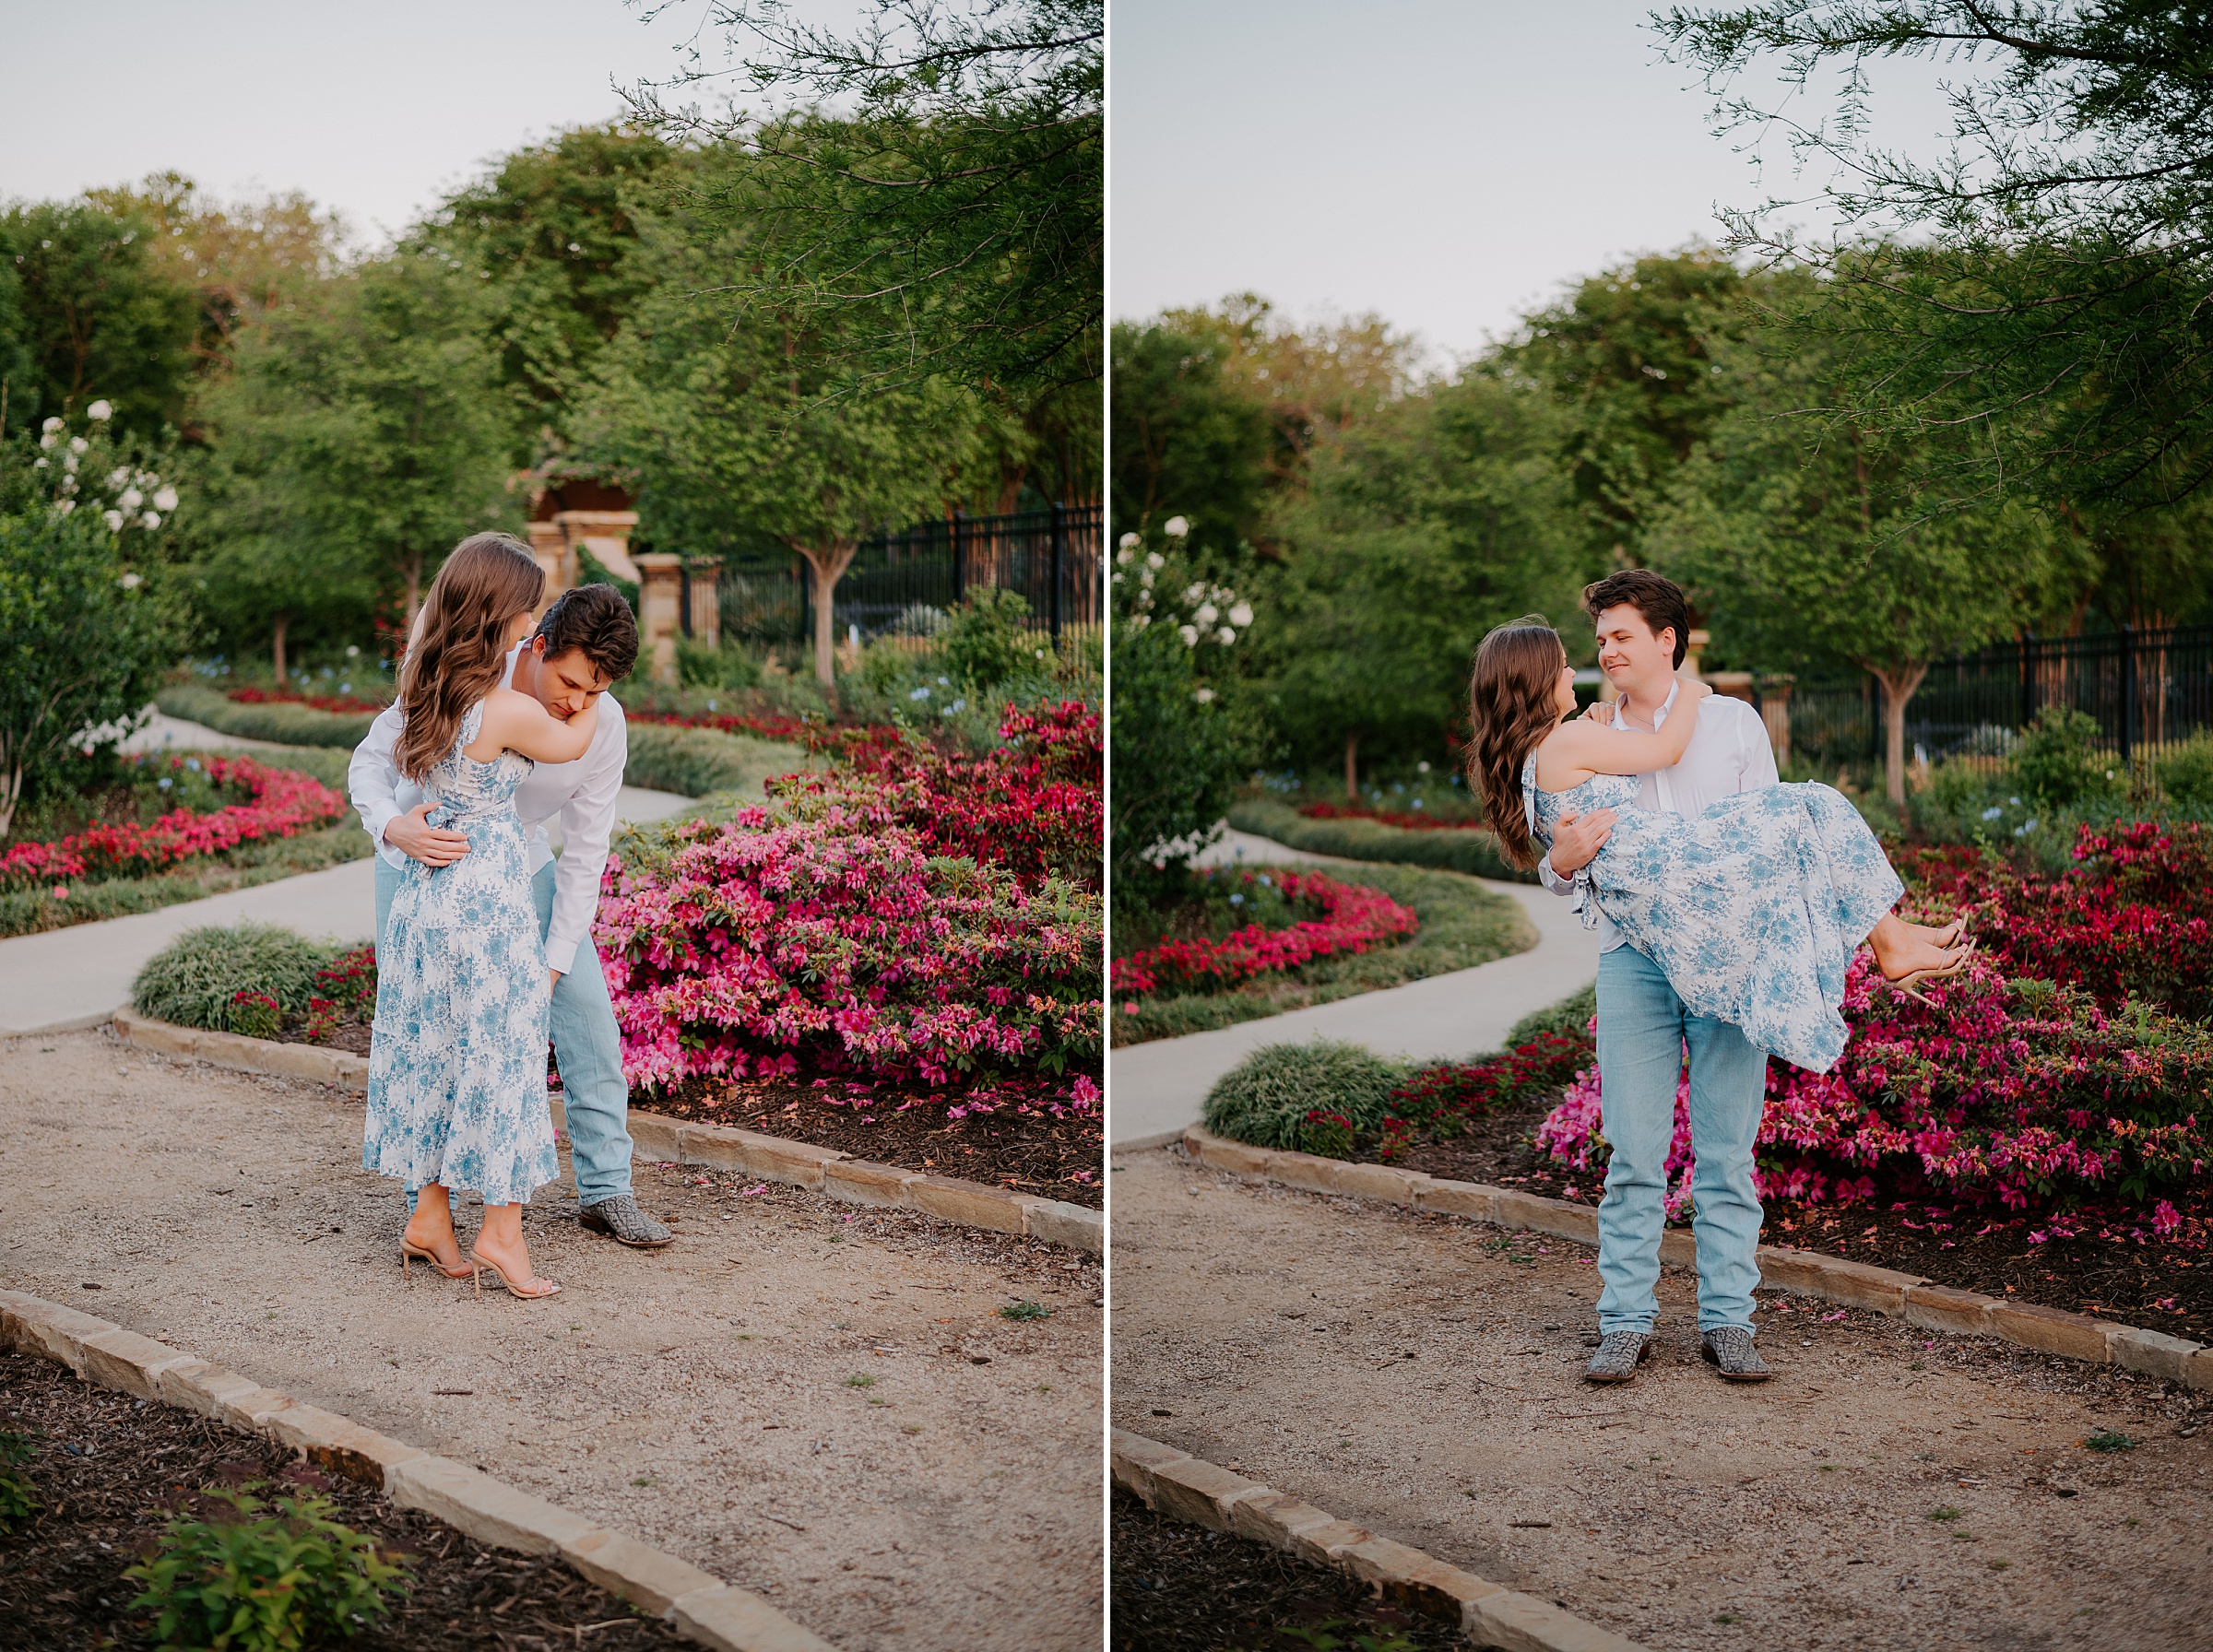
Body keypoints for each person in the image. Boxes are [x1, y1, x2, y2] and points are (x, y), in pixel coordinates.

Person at [1467, 574, 1968, 1385]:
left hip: (1727, 953)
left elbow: (1766, 848)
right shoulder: (1589, 730)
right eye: (1596, 641)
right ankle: (1624, 1326)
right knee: (1633, 1158)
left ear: (1670, 639)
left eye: (1620, 636)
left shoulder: (1731, 724)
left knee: (1727, 1156)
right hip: (1636, 961)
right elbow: (1572, 863)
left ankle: (1729, 1323)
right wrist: (1559, 864)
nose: (1604, 651)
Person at [350, 552, 674, 1255]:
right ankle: (426, 1206)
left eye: (596, 692)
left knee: (587, 1015)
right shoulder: (469, 676)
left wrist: (553, 963)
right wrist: (391, 825)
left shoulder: (601, 726)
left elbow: (586, 849)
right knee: (423, 1026)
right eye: (569, 683)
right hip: (421, 864)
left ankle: (607, 1189)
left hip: (518, 873)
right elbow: (370, 760)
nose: (577, 704)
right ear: (537, 645)